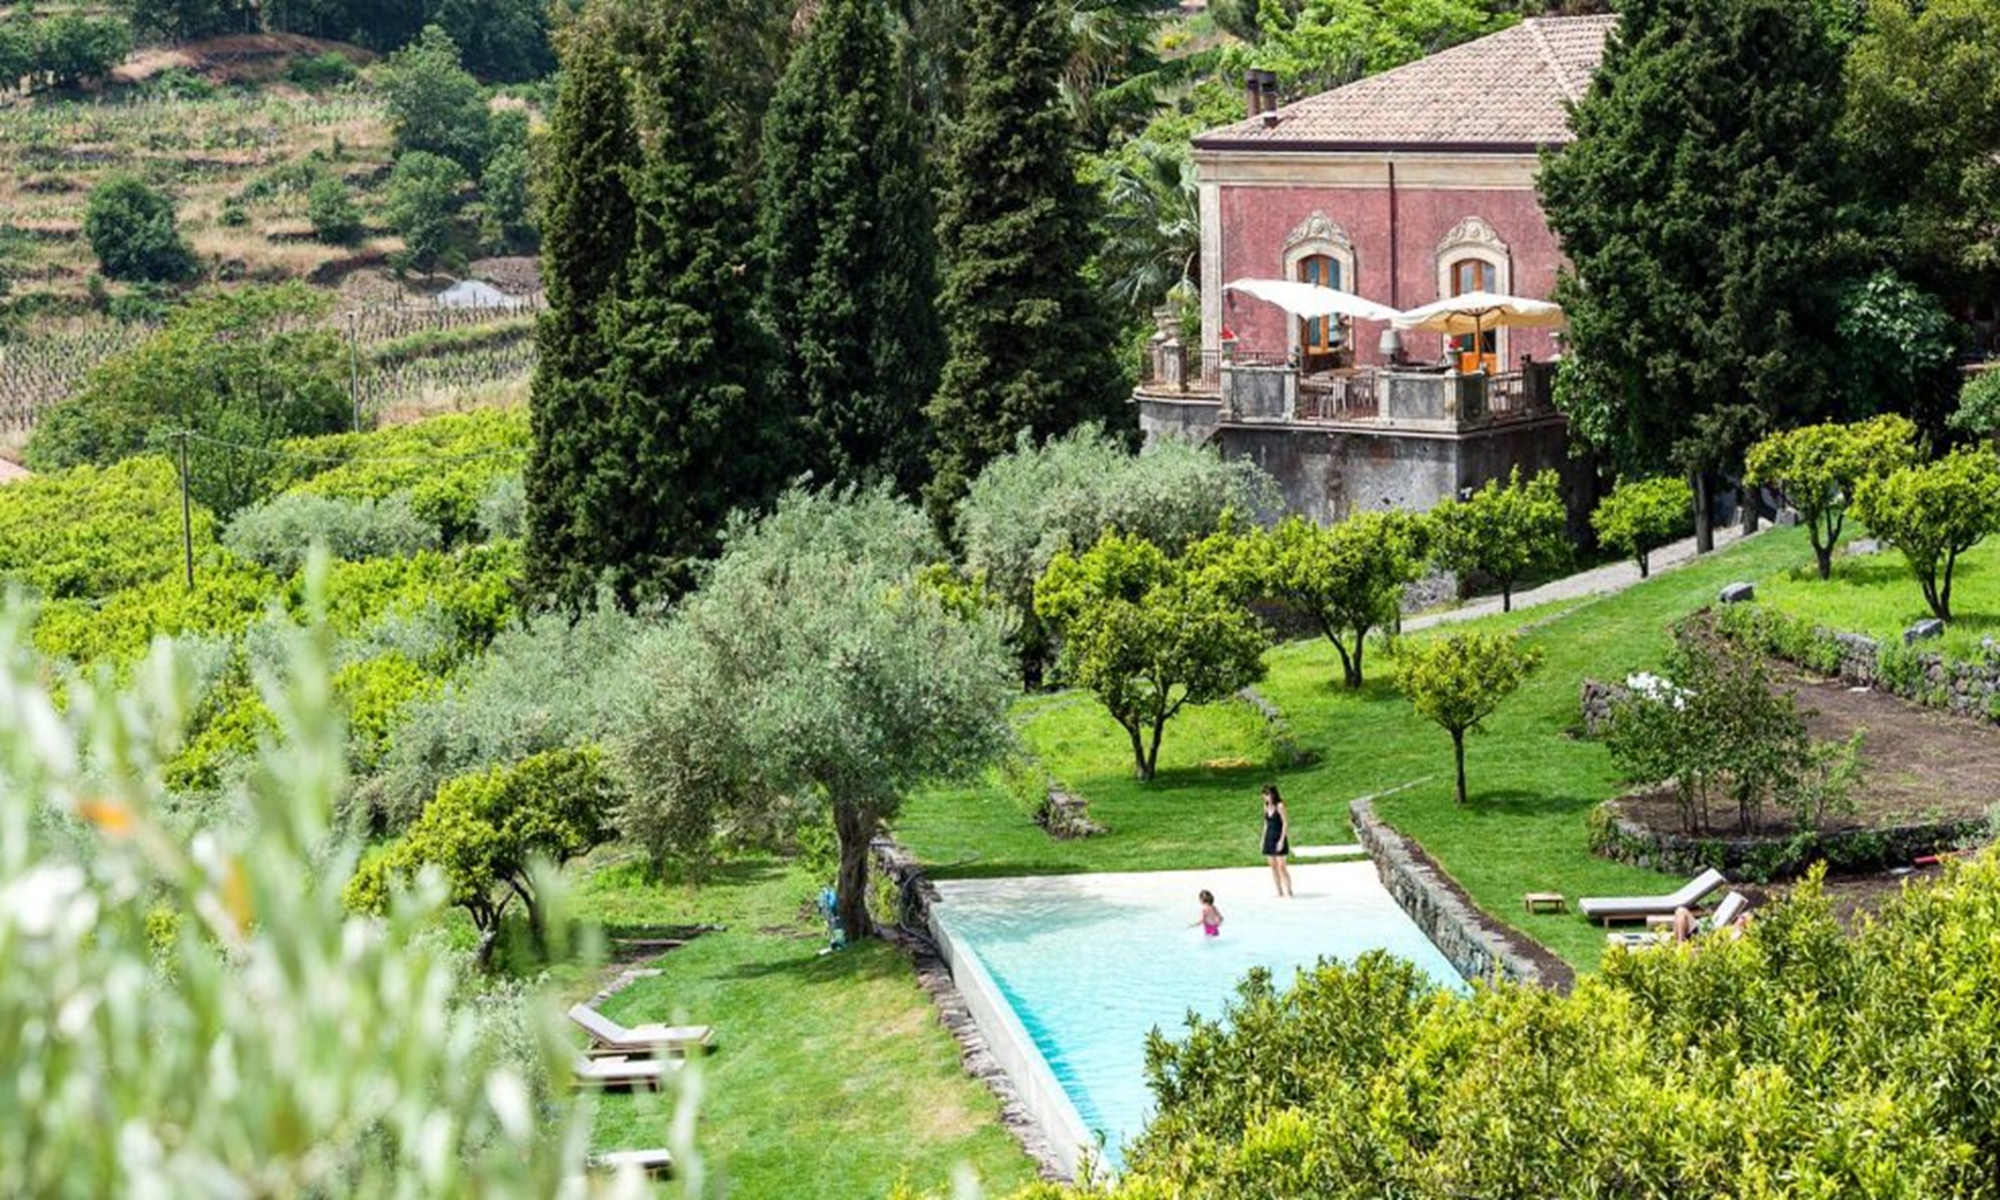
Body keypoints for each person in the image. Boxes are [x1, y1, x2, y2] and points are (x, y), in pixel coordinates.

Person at [1261, 785, 1294, 898]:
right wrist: (1262, 839)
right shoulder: (1265, 806)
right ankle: (1279, 891)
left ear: (1273, 794)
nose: (1265, 797)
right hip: (1269, 838)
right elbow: (1266, 823)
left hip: (1279, 837)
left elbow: (1285, 823)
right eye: (1264, 794)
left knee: (1282, 866)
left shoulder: (1280, 806)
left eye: (1267, 794)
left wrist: (1281, 840)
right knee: (1273, 866)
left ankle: (1289, 891)